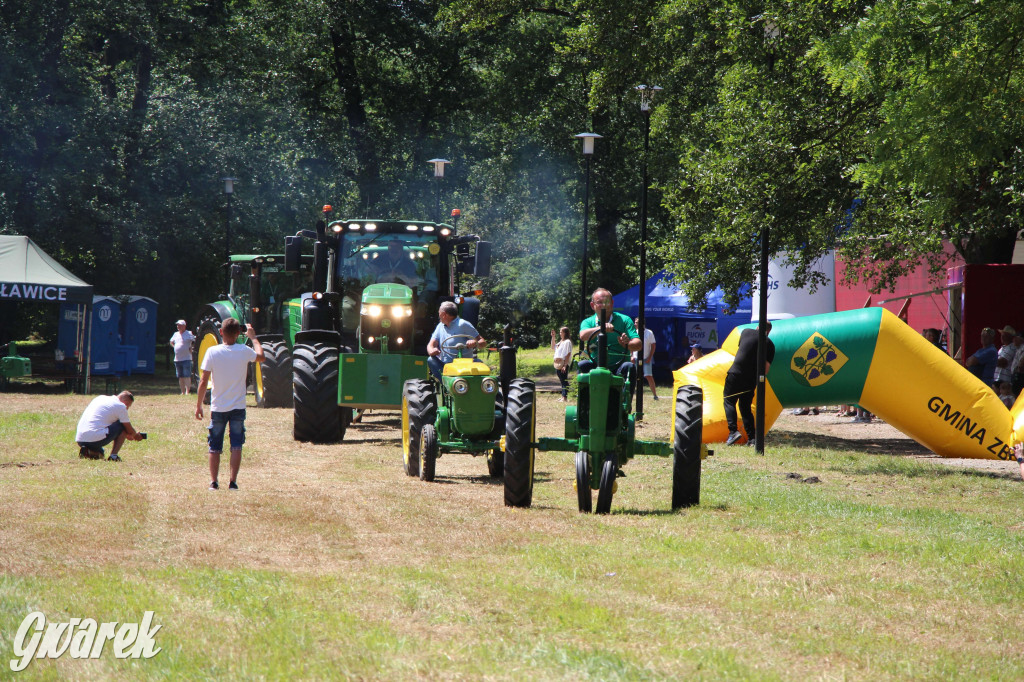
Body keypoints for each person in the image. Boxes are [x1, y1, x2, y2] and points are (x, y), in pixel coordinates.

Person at [194, 318, 265, 491]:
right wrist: (254, 337)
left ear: (221, 332)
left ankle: (214, 482)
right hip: (238, 407)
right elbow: (261, 357)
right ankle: (232, 482)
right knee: (236, 446)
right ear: (238, 333)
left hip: (218, 406)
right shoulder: (244, 350)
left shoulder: (212, 351)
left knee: (214, 446)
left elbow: (203, 381)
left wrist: (199, 405)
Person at [724, 321, 775, 446]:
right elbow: (765, 369)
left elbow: (742, 349)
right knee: (745, 407)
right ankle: (752, 439)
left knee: (729, 401)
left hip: (736, 373)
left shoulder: (746, 332)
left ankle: (733, 432)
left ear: (757, 327)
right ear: (768, 332)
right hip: (751, 379)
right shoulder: (770, 344)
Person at [577, 288, 641, 379]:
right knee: (582, 364)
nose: (604, 305)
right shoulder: (588, 322)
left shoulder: (624, 320)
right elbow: (583, 336)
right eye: (599, 302)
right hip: (595, 367)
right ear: (592, 305)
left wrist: (627, 344)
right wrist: (601, 328)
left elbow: (638, 345)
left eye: (607, 302)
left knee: (629, 367)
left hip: (619, 367)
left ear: (612, 303)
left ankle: (627, 393)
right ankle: (583, 392)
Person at [75, 390, 144, 461]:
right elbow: (128, 429)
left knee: (101, 453)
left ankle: (88, 451)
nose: (127, 409)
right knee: (122, 425)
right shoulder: (121, 406)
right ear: (124, 400)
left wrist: (126, 434)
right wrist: (135, 435)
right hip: (94, 439)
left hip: (80, 439)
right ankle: (113, 456)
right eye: (128, 405)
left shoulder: (100, 398)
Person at [427, 301, 485, 380]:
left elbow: (482, 342)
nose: (439, 315)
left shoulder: (463, 324)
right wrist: (431, 350)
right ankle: (446, 384)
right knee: (431, 360)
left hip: (465, 365)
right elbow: (431, 344)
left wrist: (475, 342)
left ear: (444, 314)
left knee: (479, 363)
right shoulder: (440, 326)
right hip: (446, 366)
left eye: (439, 313)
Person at [633, 318, 659, 401]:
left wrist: (650, 357)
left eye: (636, 322)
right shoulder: (634, 332)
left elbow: (653, 346)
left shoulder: (649, 332)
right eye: (635, 322)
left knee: (648, 376)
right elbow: (631, 344)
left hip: (646, 358)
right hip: (636, 357)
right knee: (634, 376)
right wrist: (631, 356)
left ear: (642, 324)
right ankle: (632, 393)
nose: (634, 324)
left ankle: (655, 395)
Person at [169, 320, 195, 395]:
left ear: (184, 326)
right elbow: (171, 341)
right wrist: (175, 347)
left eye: (180, 325)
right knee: (180, 376)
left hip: (186, 358)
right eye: (177, 325)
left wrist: (191, 347)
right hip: (177, 359)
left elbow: (194, 341)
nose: (178, 326)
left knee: (187, 375)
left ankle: (187, 391)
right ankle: (182, 391)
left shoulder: (189, 333)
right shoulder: (175, 334)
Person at [551, 326, 573, 402]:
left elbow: (568, 354)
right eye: (560, 332)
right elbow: (553, 347)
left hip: (563, 363)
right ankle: (563, 396)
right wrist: (553, 337)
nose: (560, 333)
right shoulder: (561, 342)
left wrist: (565, 365)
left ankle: (564, 397)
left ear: (565, 333)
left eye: (561, 332)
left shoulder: (567, 342)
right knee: (562, 380)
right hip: (558, 363)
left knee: (564, 380)